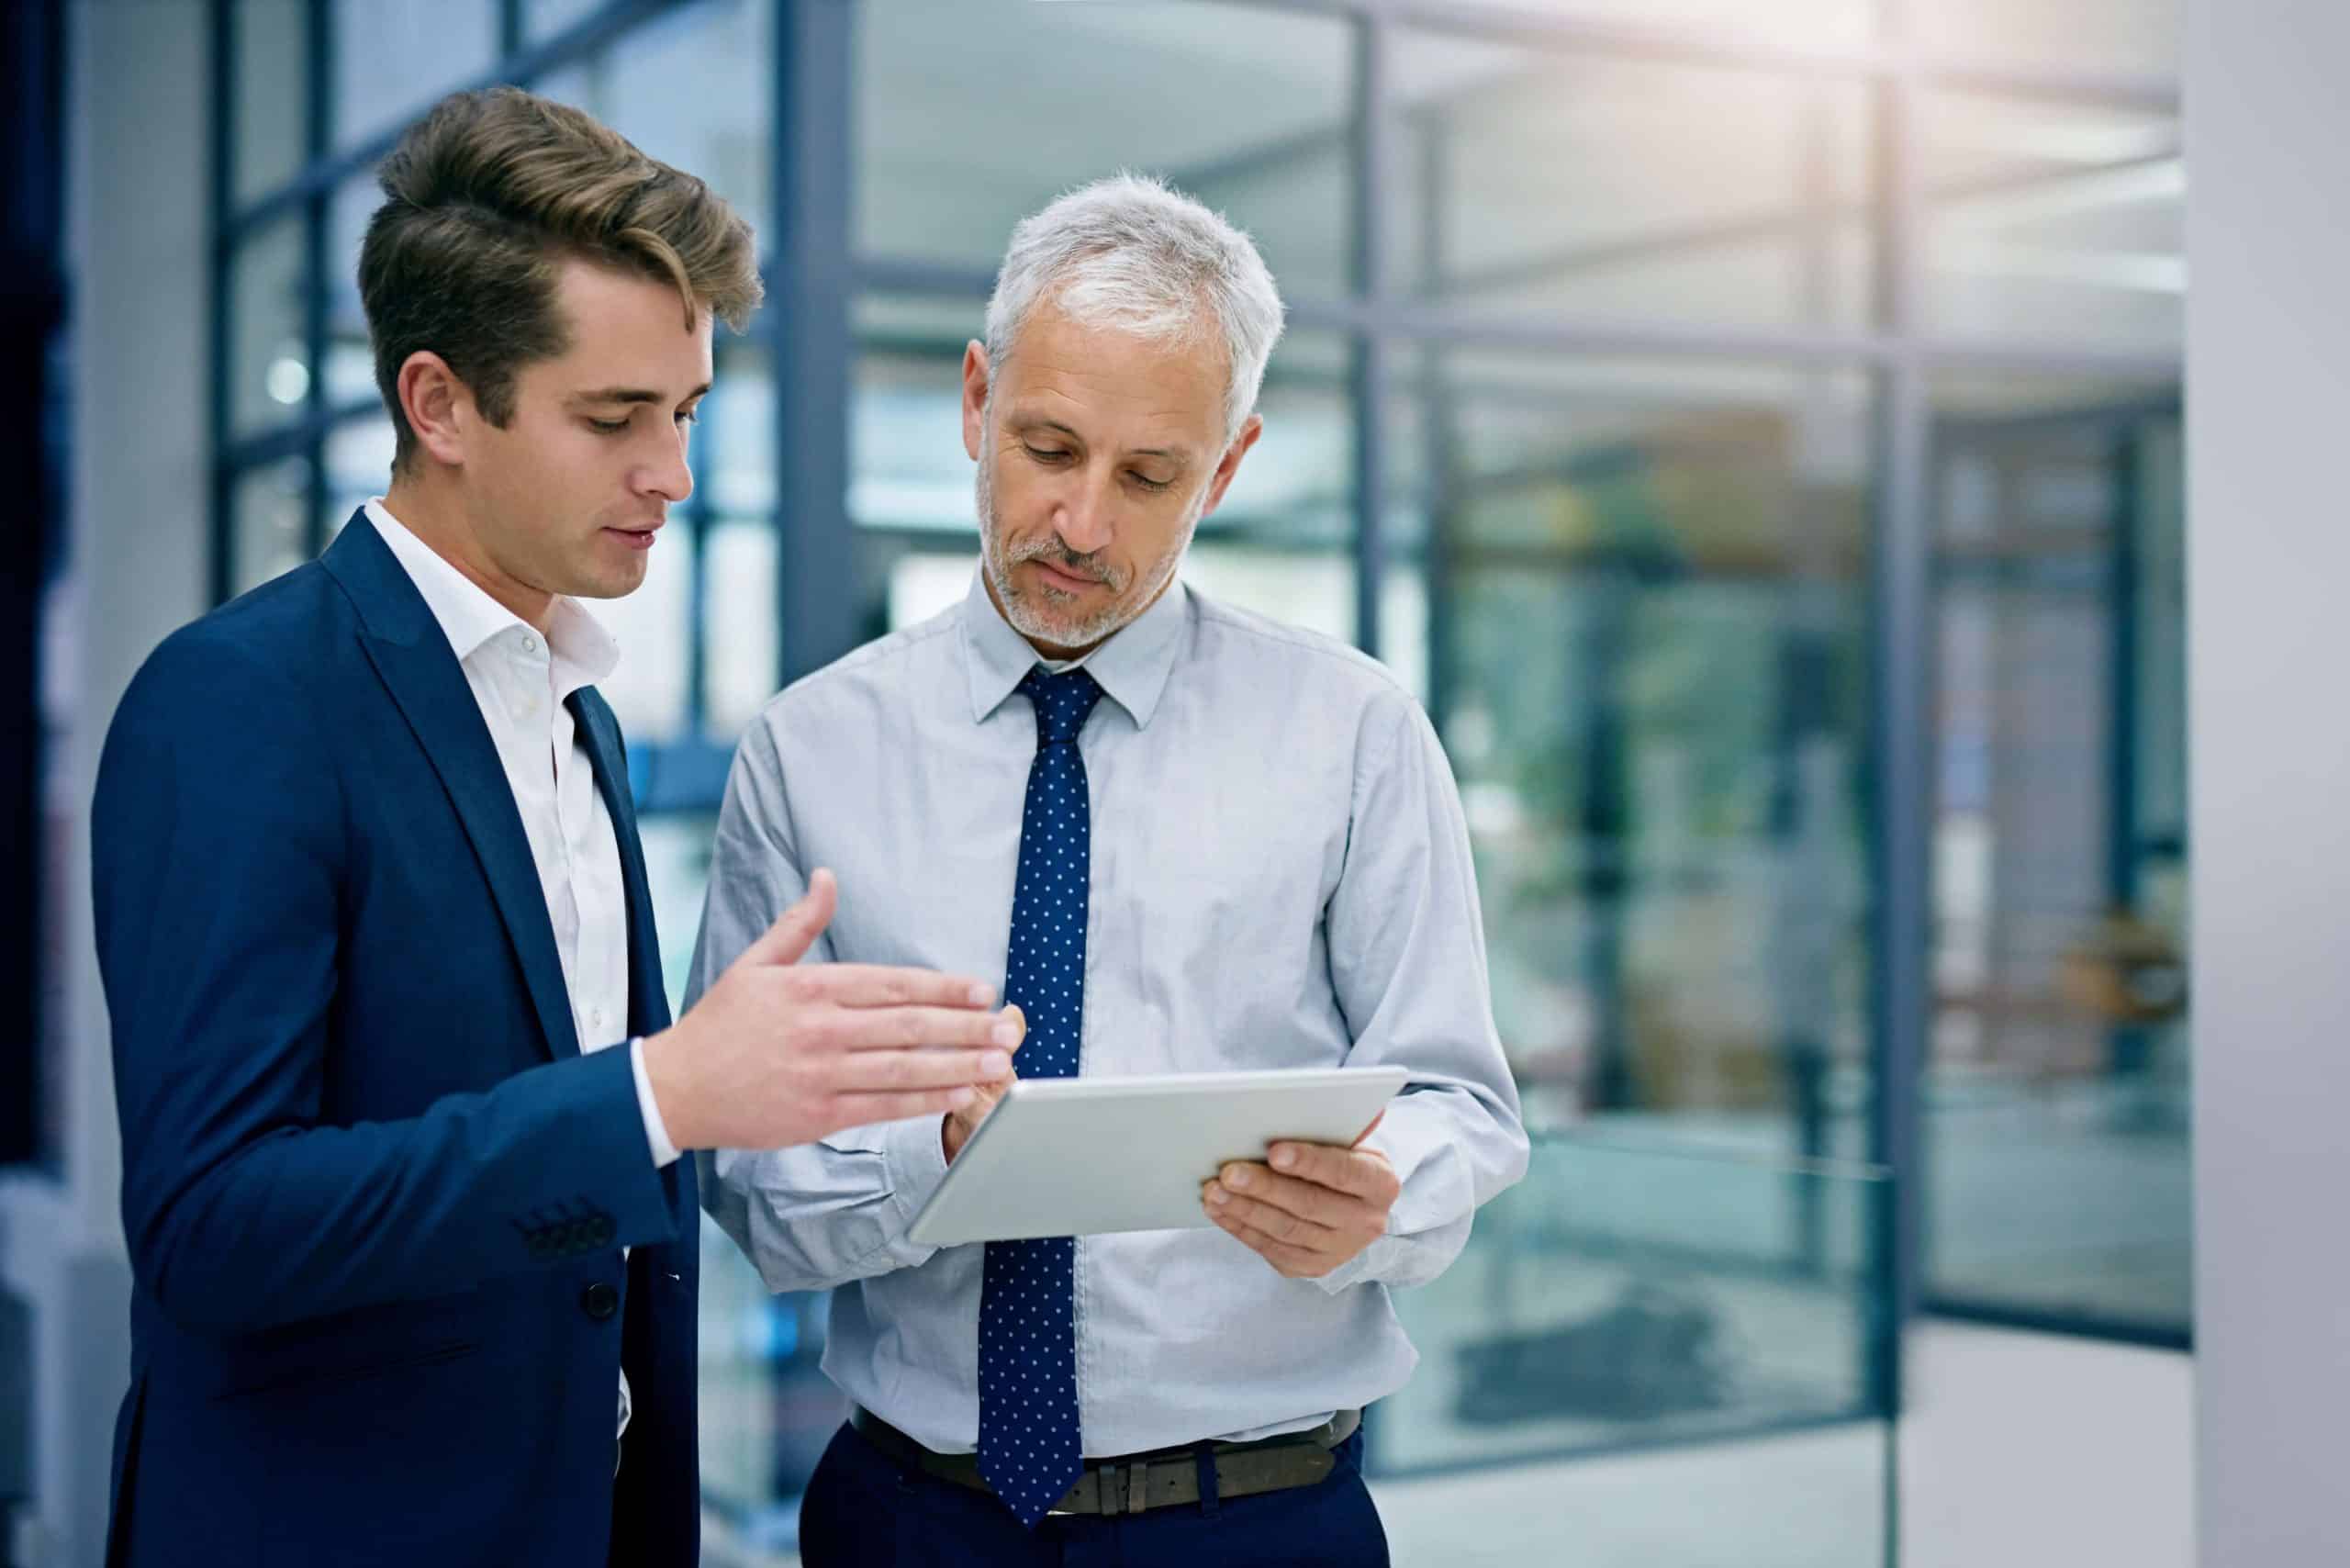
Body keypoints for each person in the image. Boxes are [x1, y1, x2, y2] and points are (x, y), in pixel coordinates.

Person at [92, 86, 1015, 1568]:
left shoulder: (572, 712)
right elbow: (213, 1225)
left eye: (688, 412)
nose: (676, 474)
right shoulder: (239, 702)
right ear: (439, 403)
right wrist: (659, 1095)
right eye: (615, 419)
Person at [691, 174, 1529, 1566]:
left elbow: (1464, 1104)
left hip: (1258, 1520)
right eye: (1047, 447)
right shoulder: (809, 751)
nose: (1082, 523)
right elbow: (746, 1182)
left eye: (1150, 476)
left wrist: (1386, 1197)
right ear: (974, 403)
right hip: (912, 1521)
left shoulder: (1355, 734)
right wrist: (932, 1167)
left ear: (1231, 466)